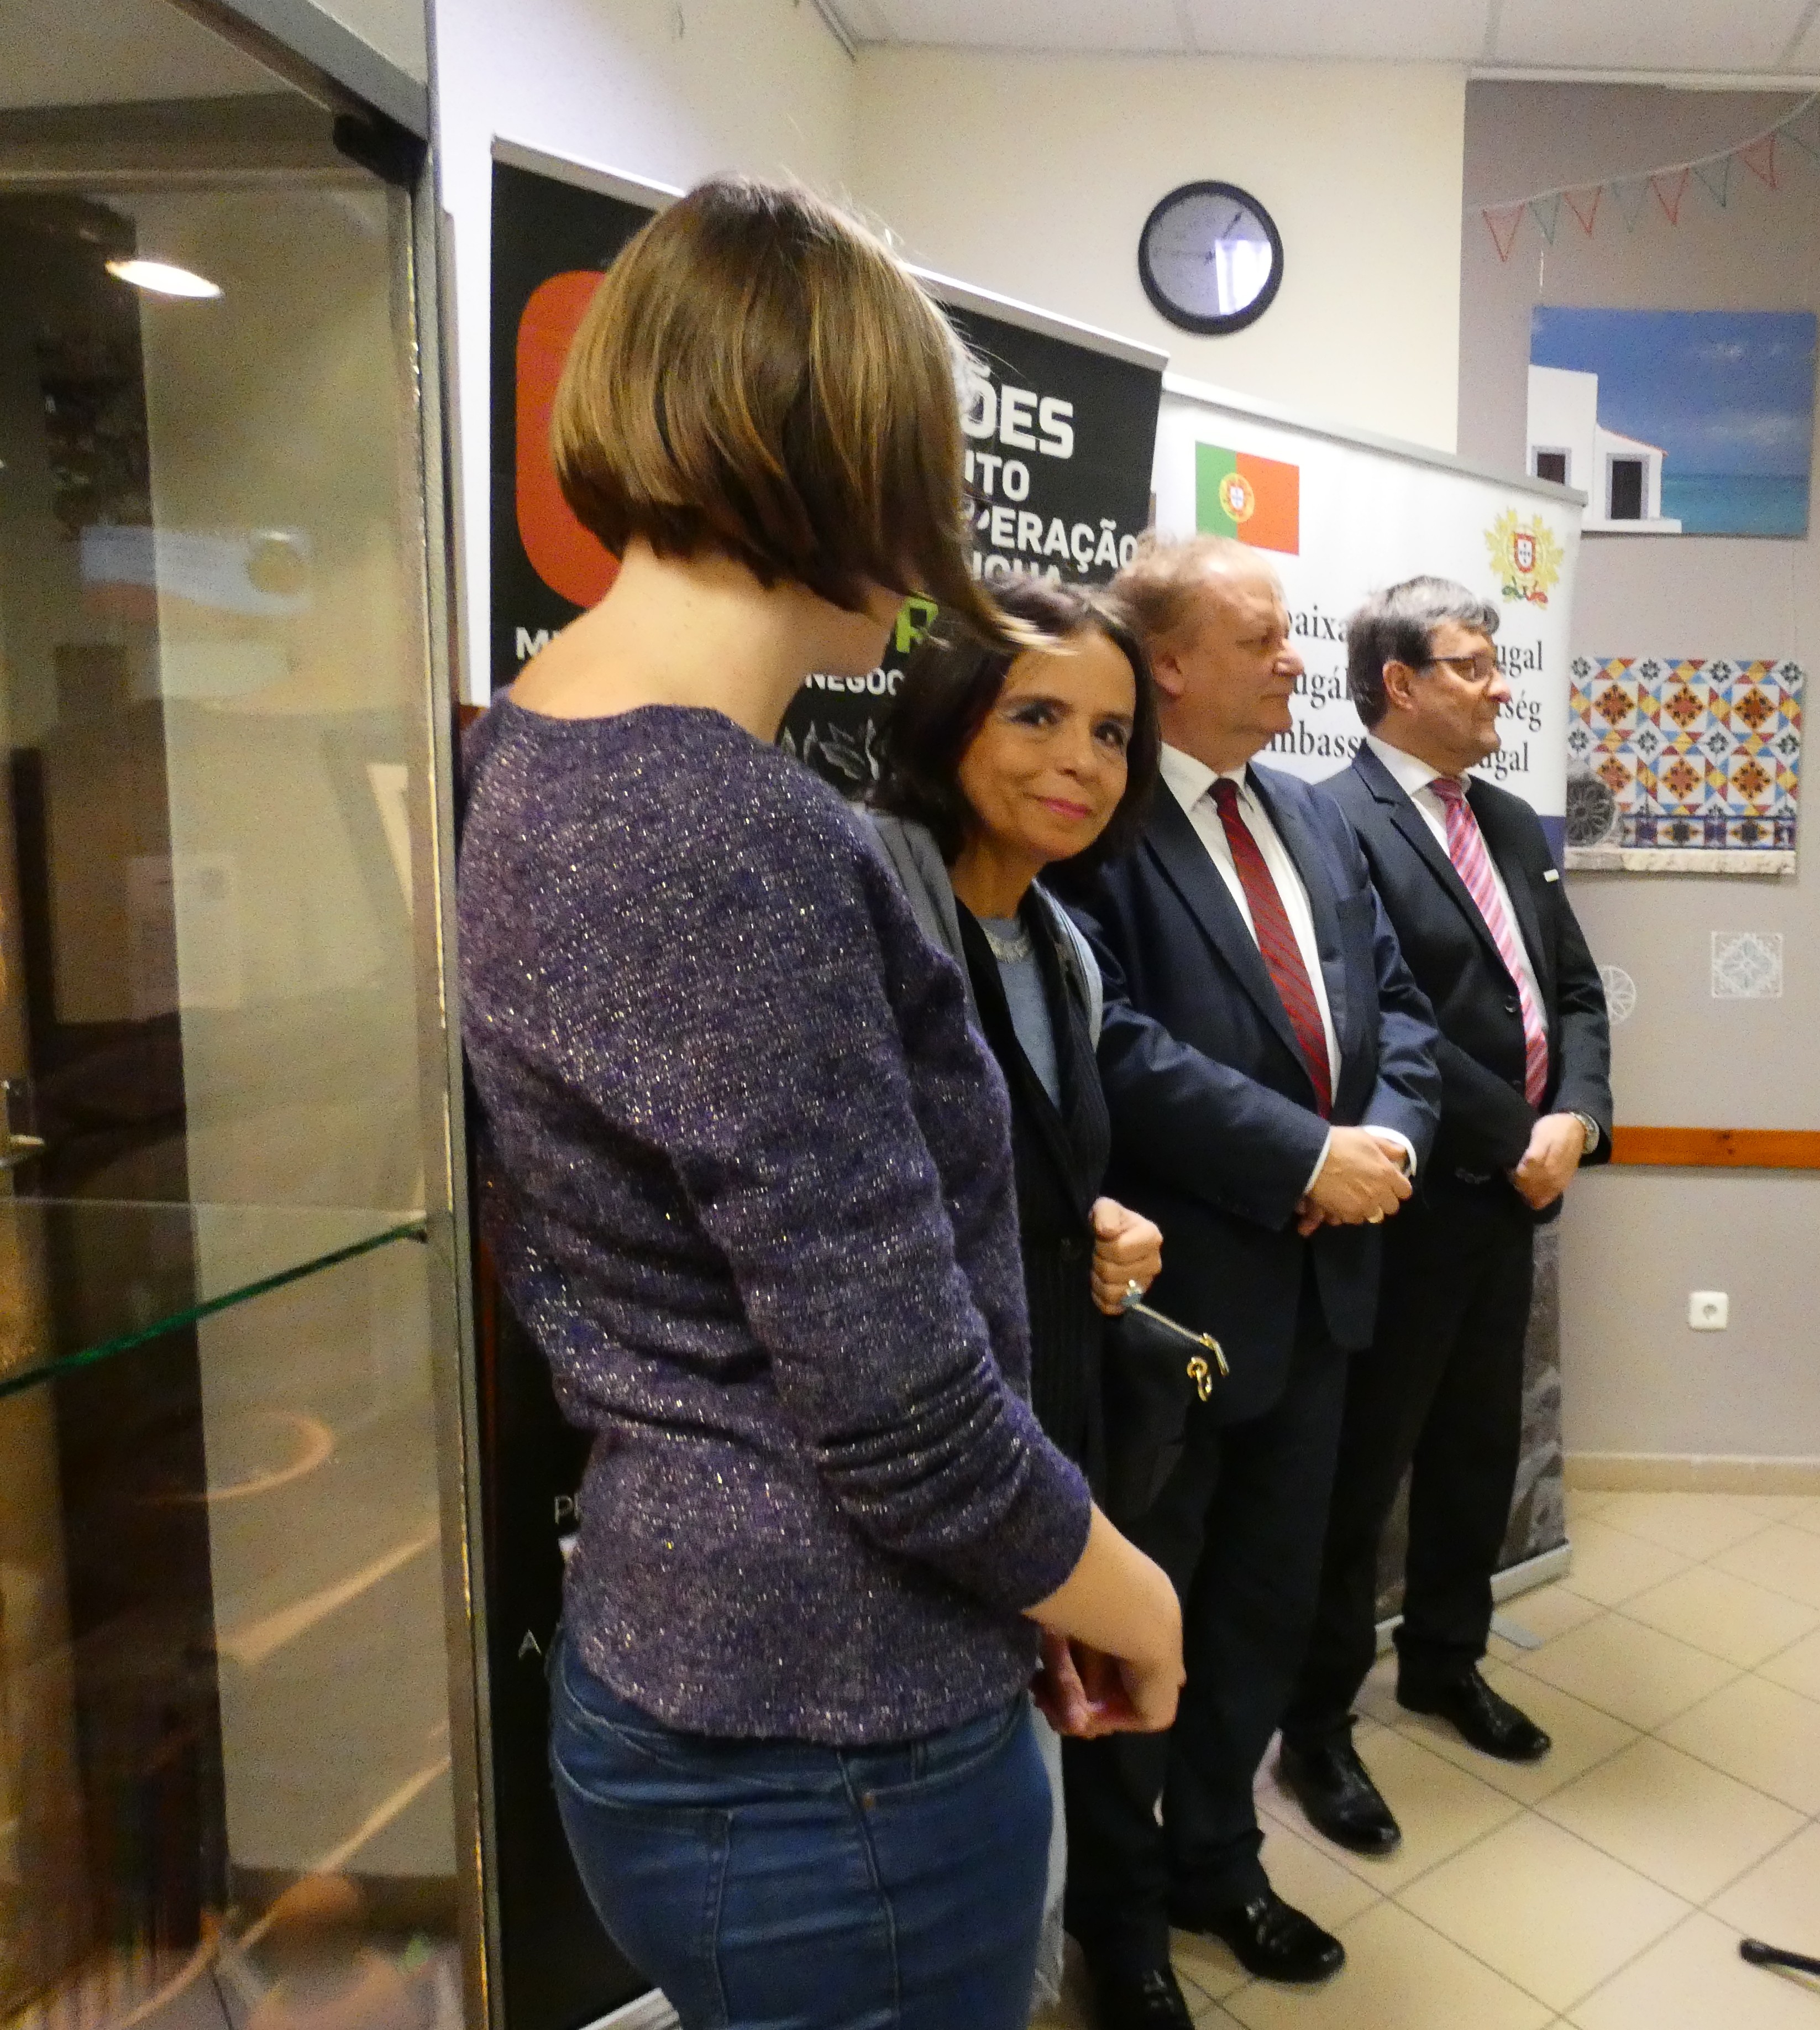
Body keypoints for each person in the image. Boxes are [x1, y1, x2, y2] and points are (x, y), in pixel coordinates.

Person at [457, 175, 1183, 2030]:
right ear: (856, 457)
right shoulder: (733, 833)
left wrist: (1024, 1583)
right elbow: (900, 1418)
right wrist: (1122, 1592)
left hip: (704, 1663)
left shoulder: (528, 749)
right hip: (830, 1746)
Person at [1062, 532, 1440, 2030]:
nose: (1297, 660)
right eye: (1263, 637)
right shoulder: (1095, 827)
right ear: (1165, 665)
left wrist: (1387, 1145)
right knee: (1143, 1627)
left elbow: (1401, 1007)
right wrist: (1304, 1156)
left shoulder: (1309, 815)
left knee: (1263, 1614)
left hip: (1325, 1301)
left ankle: (1219, 1864)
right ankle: (1119, 1923)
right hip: (1173, 1316)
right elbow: (1114, 1044)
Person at [861, 572, 1171, 2017]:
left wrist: (1093, 1220)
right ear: (945, 716)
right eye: (1037, 715)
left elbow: (1014, 1172)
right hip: (905, 1497)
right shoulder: (868, 920)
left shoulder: (1064, 949)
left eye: (1112, 734)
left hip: (1042, 1448)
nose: (1080, 762)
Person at [1277, 577, 1613, 1855]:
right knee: (1359, 1477)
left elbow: (1573, 990)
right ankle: (1317, 1726)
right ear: (1399, 683)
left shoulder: (1511, 820)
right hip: (1402, 1209)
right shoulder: (1329, 821)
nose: (1498, 687)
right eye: (1471, 665)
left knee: (1478, 1450)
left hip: (1510, 1202)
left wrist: (1577, 1117)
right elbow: (1378, 1019)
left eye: (1495, 663)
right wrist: (1515, 1136)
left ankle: (1444, 1662)